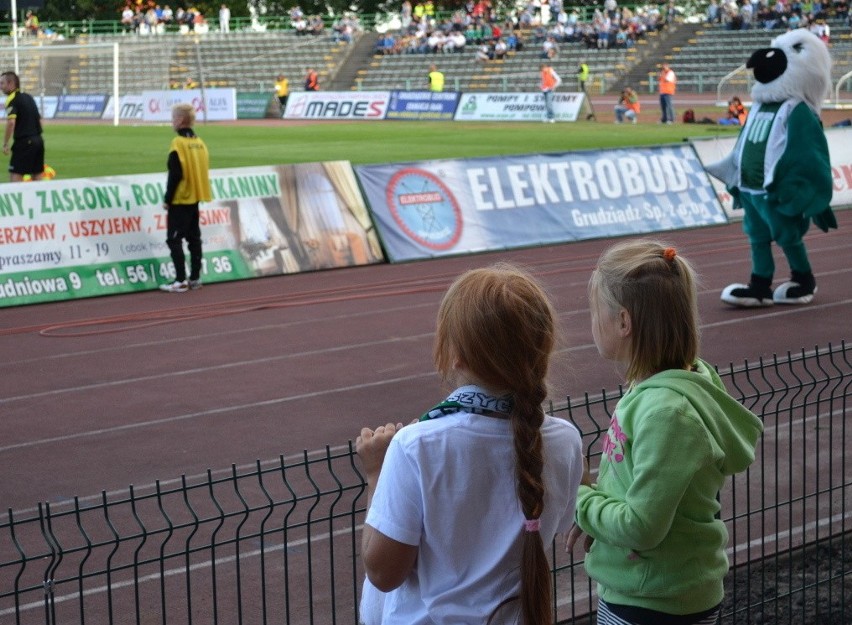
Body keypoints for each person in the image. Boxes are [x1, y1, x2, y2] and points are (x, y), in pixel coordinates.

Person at [357, 264, 584, 625]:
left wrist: (376, 476)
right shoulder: (566, 440)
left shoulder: (415, 446)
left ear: (455, 354)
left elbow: (384, 573)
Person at [566, 239, 763, 625]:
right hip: (649, 590)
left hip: (653, 603)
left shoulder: (666, 411)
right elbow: (640, 491)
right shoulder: (668, 387)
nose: (591, 322)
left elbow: (641, 526)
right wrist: (600, 517)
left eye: (595, 312)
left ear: (624, 322)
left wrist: (579, 500)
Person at [159, 103, 212, 293]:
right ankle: (195, 278)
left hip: (181, 198)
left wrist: (167, 198)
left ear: (180, 120)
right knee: (194, 238)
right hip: (196, 196)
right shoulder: (200, 142)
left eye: (173, 118)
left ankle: (180, 279)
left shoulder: (178, 143)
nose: (172, 122)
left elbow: (175, 173)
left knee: (174, 239)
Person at [1, 71, 45, 182]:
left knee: (15, 175)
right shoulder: (28, 97)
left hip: (24, 142)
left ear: (11, 84)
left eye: (2, 83)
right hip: (38, 141)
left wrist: (5, 143)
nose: (0, 87)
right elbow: (38, 119)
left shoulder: (12, 99)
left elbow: (11, 122)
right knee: (37, 176)